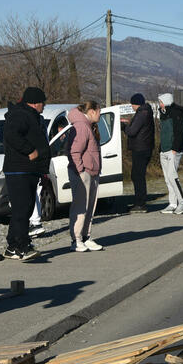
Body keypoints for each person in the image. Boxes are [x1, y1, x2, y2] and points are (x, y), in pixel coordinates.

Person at [1, 86, 51, 261]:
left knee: (25, 208)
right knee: (22, 208)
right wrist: (30, 150)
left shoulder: (31, 116)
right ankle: (22, 247)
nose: (44, 105)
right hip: (19, 169)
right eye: (42, 102)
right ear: (36, 103)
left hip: (28, 170)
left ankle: (13, 246)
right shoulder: (21, 115)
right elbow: (11, 134)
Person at [66, 101, 104, 252]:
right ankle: (76, 239)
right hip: (83, 172)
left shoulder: (88, 125)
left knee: (89, 207)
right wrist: (81, 170)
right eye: (99, 111)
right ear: (92, 111)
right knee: (80, 207)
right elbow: (74, 152)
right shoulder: (82, 126)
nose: (100, 115)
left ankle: (86, 237)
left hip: (91, 172)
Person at [157, 92, 183, 214]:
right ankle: (172, 203)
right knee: (167, 178)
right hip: (164, 150)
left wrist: (175, 149)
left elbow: (180, 133)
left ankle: (182, 203)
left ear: (165, 102)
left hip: (173, 150)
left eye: (160, 102)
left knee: (172, 176)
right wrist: (161, 149)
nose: (159, 105)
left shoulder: (177, 114)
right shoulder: (163, 114)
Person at [124, 93, 154, 212]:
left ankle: (140, 203)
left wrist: (124, 127)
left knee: (137, 176)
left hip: (140, 149)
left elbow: (132, 131)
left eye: (132, 104)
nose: (131, 106)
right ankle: (139, 202)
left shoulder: (142, 114)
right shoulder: (146, 112)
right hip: (144, 147)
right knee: (137, 175)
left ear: (136, 103)